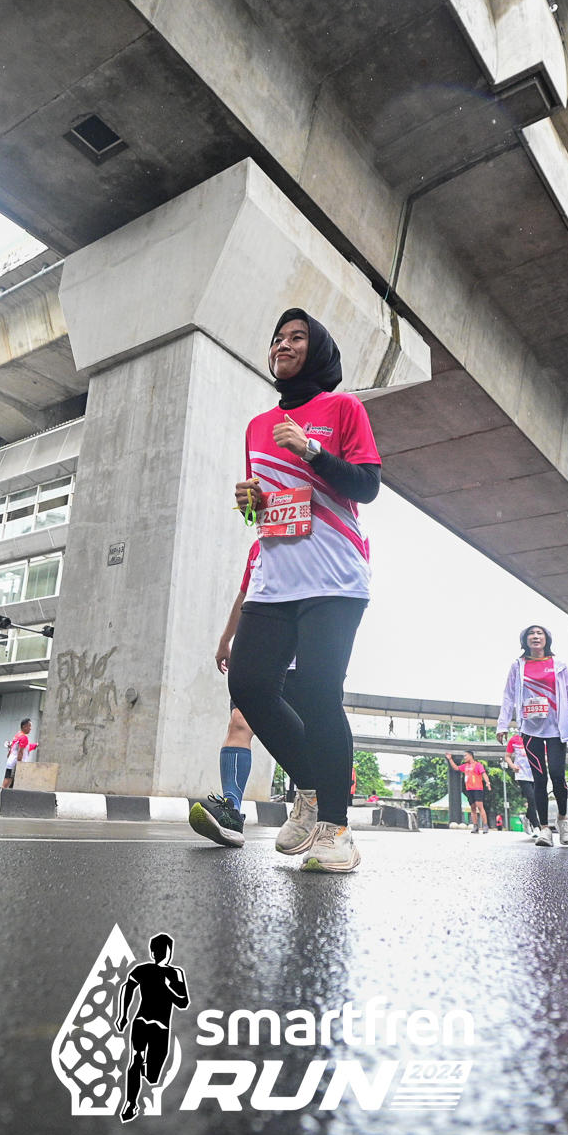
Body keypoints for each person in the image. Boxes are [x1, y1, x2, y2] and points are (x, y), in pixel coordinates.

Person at [225, 310, 381, 874]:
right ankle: (311, 790)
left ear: (317, 351)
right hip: (275, 581)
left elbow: (368, 485)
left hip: (334, 580)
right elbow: (266, 510)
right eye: (278, 338)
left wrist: (312, 450)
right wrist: (249, 503)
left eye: (297, 338)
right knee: (248, 683)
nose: (283, 345)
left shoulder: (343, 409)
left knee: (317, 692)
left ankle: (336, 830)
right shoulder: (257, 426)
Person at [191, 544, 265, 848]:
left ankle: (321, 813)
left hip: (299, 653)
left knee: (305, 736)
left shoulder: (321, 531)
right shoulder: (259, 547)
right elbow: (245, 595)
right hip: (257, 650)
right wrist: (226, 640)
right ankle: (231, 812)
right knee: (238, 723)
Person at [495, 623, 568, 847]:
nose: (535, 636)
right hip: (530, 729)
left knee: (557, 774)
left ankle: (563, 821)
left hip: (556, 728)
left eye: (540, 633)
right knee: (539, 778)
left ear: (547, 639)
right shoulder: (518, 665)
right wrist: (502, 725)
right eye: (531, 634)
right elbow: (508, 696)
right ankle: (545, 829)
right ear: (524, 640)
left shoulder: (559, 664)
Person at [117, 933, 189, 1123]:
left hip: (161, 1027)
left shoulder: (175, 973)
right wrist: (123, 1015)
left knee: (152, 1075)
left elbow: (183, 1002)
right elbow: (127, 988)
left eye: (164, 950)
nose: (161, 953)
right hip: (142, 1021)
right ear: (152, 951)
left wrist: (167, 989)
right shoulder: (142, 970)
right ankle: (130, 1103)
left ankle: (144, 1071)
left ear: (169, 952)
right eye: (158, 950)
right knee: (136, 1058)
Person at [505, 728, 537, 838]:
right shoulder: (514, 740)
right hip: (522, 774)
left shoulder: (536, 738)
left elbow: (545, 754)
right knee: (531, 798)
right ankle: (536, 827)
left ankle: (526, 818)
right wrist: (513, 766)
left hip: (535, 774)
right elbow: (507, 756)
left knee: (536, 801)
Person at [450, 751, 491, 832]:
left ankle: (485, 825)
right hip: (469, 789)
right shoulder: (465, 766)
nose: (464, 757)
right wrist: (450, 759)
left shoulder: (477, 765)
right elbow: (456, 768)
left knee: (480, 806)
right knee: (472, 807)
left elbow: (483, 773)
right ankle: (475, 826)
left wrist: (487, 783)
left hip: (477, 788)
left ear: (470, 756)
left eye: (466, 755)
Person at [2, 719, 36, 788]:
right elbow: (20, 751)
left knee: (8, 782)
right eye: (29, 726)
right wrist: (19, 764)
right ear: (24, 726)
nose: (31, 728)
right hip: (15, 763)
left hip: (11, 761)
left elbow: (22, 748)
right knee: (8, 782)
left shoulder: (17, 735)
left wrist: (36, 745)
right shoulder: (24, 737)